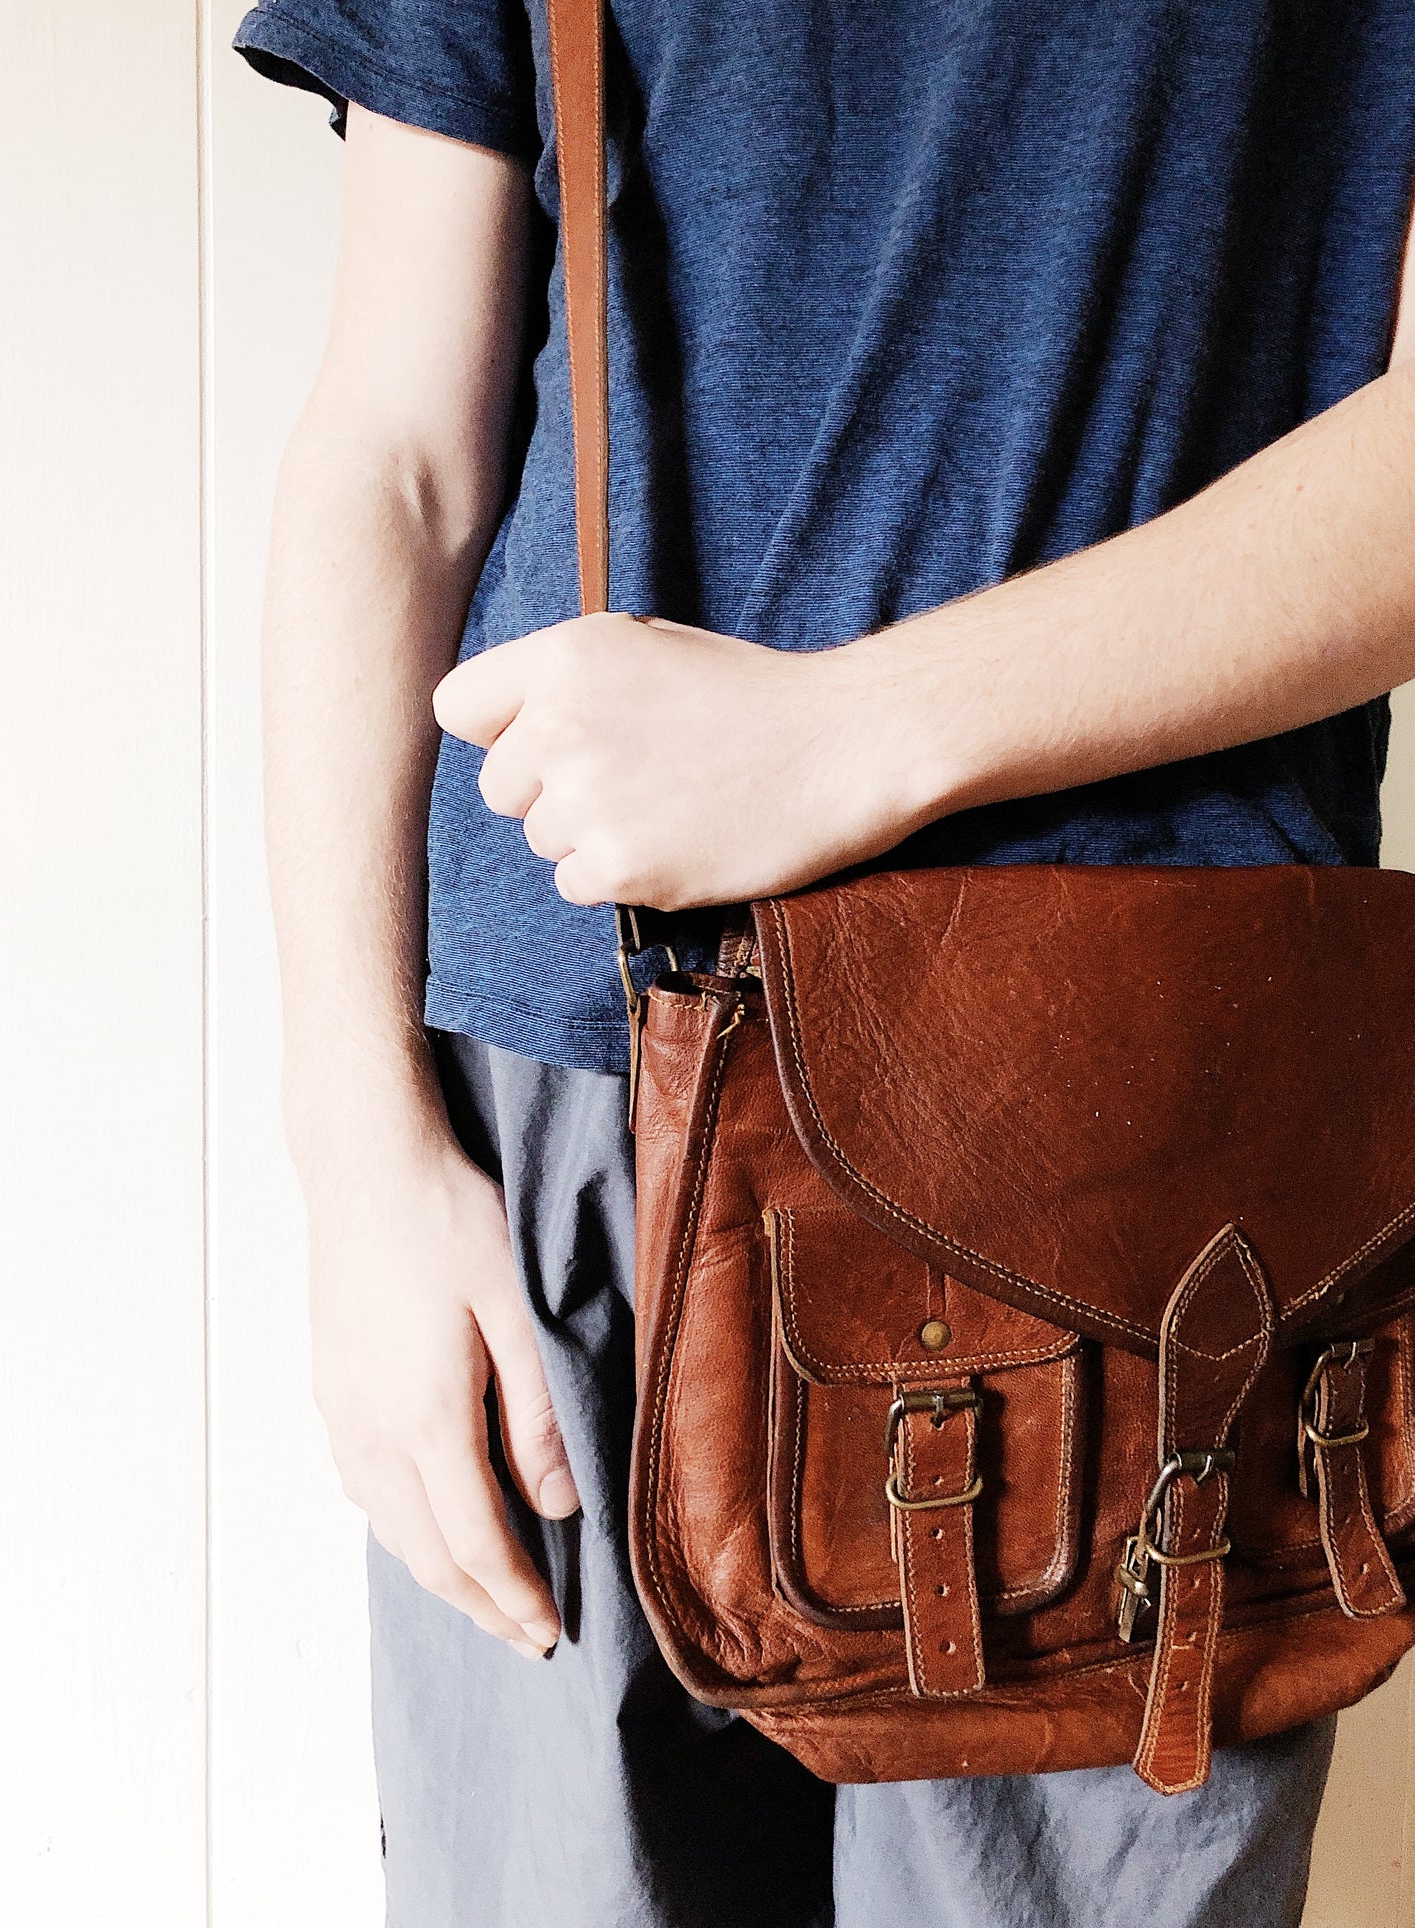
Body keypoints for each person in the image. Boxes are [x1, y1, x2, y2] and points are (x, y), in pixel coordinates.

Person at [233, 3, 1415, 1922]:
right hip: (580, 1096)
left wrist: (843, 739)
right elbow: (395, 454)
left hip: (1150, 1138)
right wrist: (355, 1159)